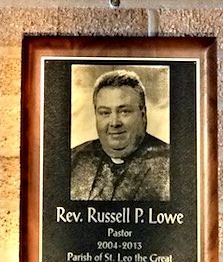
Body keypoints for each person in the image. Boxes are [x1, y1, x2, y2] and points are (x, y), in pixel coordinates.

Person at [71, 69, 170, 201]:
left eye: (124, 111)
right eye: (105, 113)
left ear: (143, 114)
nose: (114, 123)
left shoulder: (171, 164)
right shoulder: (73, 160)